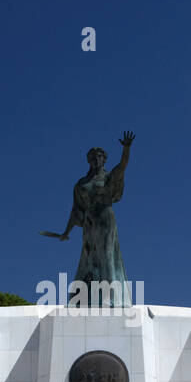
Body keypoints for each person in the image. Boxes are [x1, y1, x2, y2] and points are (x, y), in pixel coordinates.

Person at [58, 130, 133, 307]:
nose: (96, 160)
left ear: (104, 159)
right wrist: (66, 232)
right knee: (89, 257)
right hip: (89, 220)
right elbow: (76, 209)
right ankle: (83, 298)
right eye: (92, 157)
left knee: (106, 254)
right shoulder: (82, 183)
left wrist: (126, 149)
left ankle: (111, 298)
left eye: (99, 157)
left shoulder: (108, 178)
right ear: (89, 161)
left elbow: (122, 166)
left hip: (105, 216)